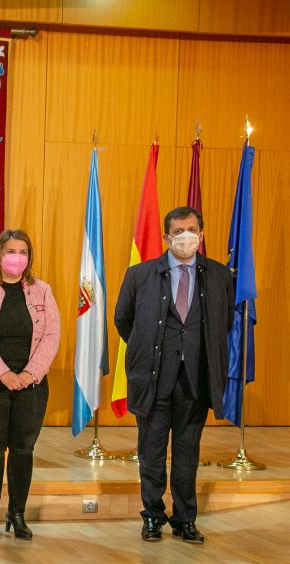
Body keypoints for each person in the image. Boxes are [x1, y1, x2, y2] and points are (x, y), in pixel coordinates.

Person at [115, 206, 234, 544]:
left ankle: (185, 518)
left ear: (202, 233)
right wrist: (148, 349)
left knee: (187, 454)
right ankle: (152, 516)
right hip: (152, 378)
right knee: (151, 453)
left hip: (195, 379)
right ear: (166, 237)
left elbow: (222, 324)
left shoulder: (220, 276)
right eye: (178, 231)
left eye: (192, 229)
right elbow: (124, 321)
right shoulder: (140, 275)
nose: (186, 236)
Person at [0, 229, 60, 541]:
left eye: (22, 252)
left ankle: (17, 514)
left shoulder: (42, 291)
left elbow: (52, 335)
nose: (16, 257)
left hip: (32, 385)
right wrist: (2, 373)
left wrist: (30, 374)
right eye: (10, 251)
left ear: (28, 258)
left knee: (23, 450)